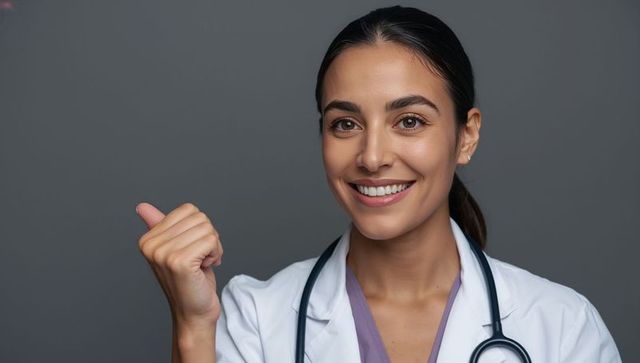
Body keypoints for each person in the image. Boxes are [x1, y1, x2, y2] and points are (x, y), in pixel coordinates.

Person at [135, 5, 622, 363]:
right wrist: (194, 327)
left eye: (409, 121)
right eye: (345, 124)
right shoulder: (256, 319)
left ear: (466, 136)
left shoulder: (561, 326)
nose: (371, 157)